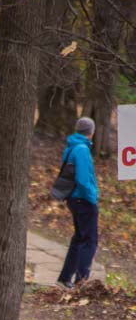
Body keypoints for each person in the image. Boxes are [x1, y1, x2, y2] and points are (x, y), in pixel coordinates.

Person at [57, 116, 99, 288]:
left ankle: (65, 277)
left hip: (74, 198)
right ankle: (82, 281)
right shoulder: (82, 149)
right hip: (82, 199)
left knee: (79, 238)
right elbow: (82, 179)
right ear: (91, 132)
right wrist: (92, 196)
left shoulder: (72, 146)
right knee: (89, 240)